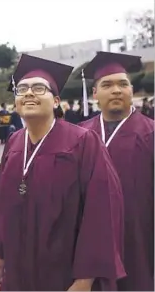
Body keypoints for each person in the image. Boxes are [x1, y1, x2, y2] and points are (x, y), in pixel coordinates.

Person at [0, 54, 126, 291]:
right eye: (22, 89)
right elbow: (0, 201)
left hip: (64, 270)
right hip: (19, 267)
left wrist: (86, 277)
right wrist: (1, 252)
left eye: (38, 88)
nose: (28, 93)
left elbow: (101, 208)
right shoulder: (14, 143)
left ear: (56, 101)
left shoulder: (83, 141)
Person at [78, 51, 154, 291]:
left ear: (132, 91)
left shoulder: (151, 134)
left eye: (123, 84)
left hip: (139, 237)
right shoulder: (77, 136)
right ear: (95, 94)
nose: (116, 90)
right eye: (107, 85)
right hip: (88, 240)